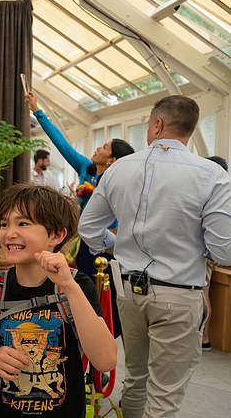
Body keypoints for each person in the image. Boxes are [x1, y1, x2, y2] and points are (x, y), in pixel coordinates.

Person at [78, 95, 231, 418]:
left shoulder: (118, 171)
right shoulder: (212, 175)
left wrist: (115, 244)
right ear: (190, 129)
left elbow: (89, 230)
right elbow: (223, 249)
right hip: (179, 294)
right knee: (164, 396)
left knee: (136, 379)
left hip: (128, 293)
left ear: (158, 125)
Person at [0, 184, 116, 418]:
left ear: (56, 235)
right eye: (5, 223)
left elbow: (105, 360)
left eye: (23, 223)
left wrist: (68, 286)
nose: (9, 233)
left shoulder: (79, 286)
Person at [25, 91, 134, 338]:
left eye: (104, 146)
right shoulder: (86, 168)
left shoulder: (120, 182)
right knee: (83, 291)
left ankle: (104, 343)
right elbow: (61, 144)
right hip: (84, 243)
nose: (98, 147)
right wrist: (37, 110)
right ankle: (84, 340)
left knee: (106, 297)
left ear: (113, 159)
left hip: (108, 249)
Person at [202, 155, 229, 351]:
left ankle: (204, 338)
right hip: (214, 253)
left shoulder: (213, 193)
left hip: (207, 254)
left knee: (202, 294)